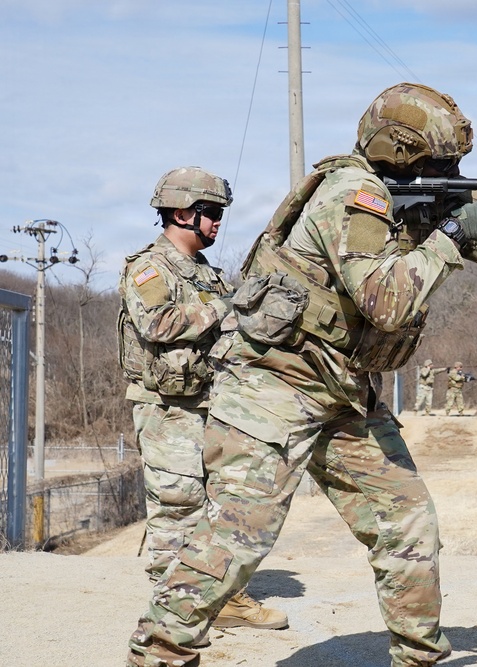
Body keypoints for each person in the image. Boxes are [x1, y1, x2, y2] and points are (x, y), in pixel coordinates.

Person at [125, 82, 477, 667]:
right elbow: (388, 302)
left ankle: (419, 656)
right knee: (238, 536)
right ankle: (159, 654)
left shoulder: (414, 202)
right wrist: (452, 235)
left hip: (343, 389)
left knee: (408, 524)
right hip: (273, 383)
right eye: (442, 162)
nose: (452, 171)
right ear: (403, 153)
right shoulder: (353, 196)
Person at [117, 167, 288, 639]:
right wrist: (228, 306)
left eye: (218, 214)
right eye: (210, 214)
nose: (216, 223)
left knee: (219, 505)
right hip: (167, 407)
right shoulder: (149, 267)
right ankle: (170, 614)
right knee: (177, 504)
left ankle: (221, 596)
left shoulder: (206, 274)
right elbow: (159, 323)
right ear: (180, 213)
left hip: (212, 402)